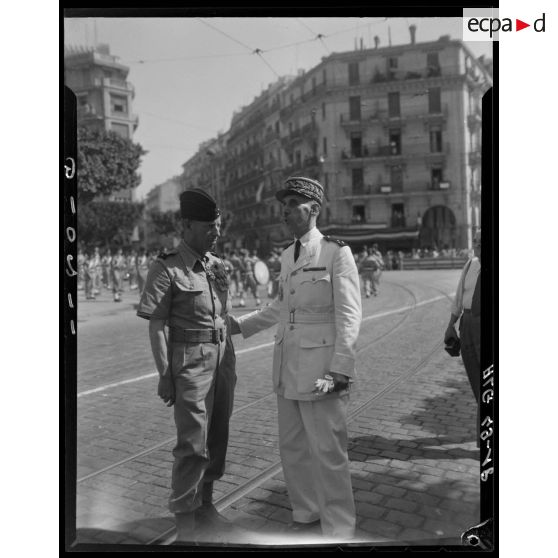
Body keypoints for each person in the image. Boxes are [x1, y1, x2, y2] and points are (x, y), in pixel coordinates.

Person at [229, 176, 362, 541]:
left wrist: (340, 368)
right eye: (283, 205)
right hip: (287, 363)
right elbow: (280, 307)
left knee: (328, 449)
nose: (284, 211)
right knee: (293, 447)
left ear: (314, 209)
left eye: (292, 205)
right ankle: (306, 513)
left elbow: (349, 315)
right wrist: (239, 326)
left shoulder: (336, 252)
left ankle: (338, 527)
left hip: (321, 368)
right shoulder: (288, 254)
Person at [137, 189, 237, 542]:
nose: (216, 232)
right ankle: (186, 527)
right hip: (190, 363)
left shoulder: (218, 265)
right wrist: (165, 375)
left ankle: (206, 507)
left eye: (219, 226)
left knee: (217, 436)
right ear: (187, 224)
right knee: (192, 444)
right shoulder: (166, 267)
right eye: (209, 226)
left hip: (224, 358)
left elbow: (223, 314)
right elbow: (156, 325)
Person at [444, 230, 481, 444]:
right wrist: (451, 325)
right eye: (476, 241)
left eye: (482, 241)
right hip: (467, 326)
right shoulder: (470, 265)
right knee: (476, 380)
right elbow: (459, 297)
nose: (478, 245)